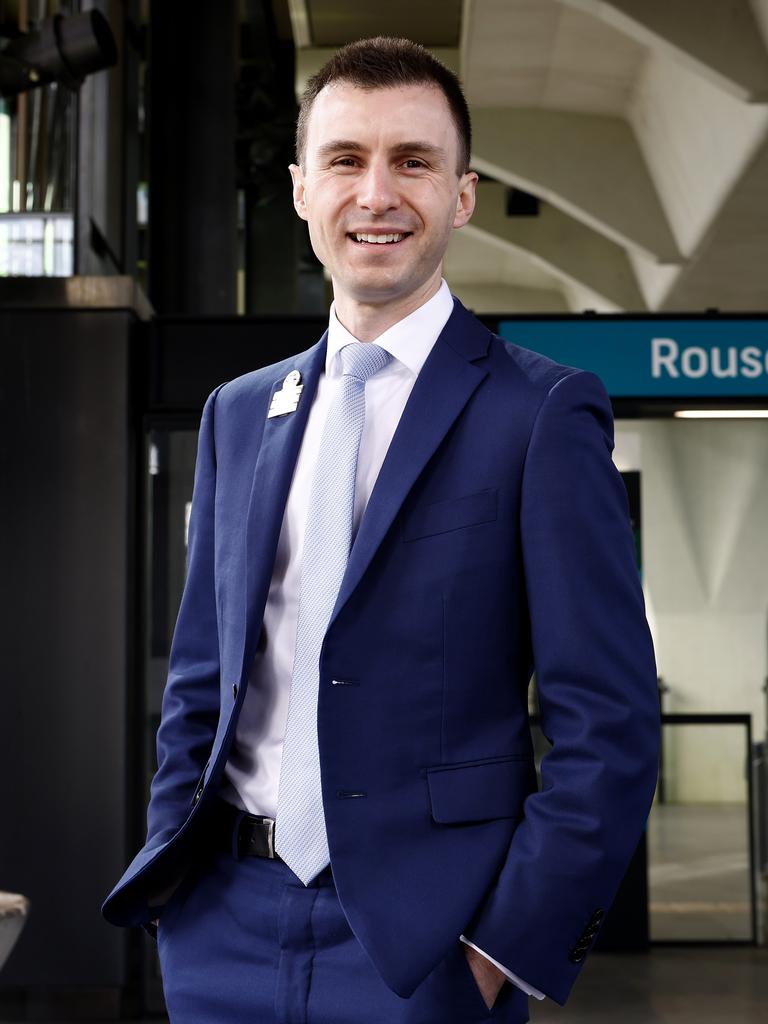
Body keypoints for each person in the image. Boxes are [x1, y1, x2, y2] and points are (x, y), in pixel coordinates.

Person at [102, 36, 660, 1024]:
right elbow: (201, 677)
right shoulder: (239, 413)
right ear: (301, 189)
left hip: (426, 949)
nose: (377, 194)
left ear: (463, 195)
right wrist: (175, 894)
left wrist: (499, 949)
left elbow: (607, 725)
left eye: (413, 161)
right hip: (220, 927)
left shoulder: (540, 415)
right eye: (346, 160)